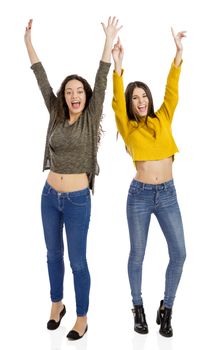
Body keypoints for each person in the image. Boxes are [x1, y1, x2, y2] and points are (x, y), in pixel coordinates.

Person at [24, 17, 122, 341]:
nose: (74, 95)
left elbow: (102, 76)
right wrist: (28, 41)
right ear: (64, 96)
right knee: (53, 255)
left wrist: (108, 40)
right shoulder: (55, 112)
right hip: (49, 196)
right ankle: (56, 304)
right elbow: (41, 78)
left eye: (79, 91)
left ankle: (81, 316)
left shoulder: (91, 118)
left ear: (85, 96)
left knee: (77, 260)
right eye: (69, 91)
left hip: (78, 199)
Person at [111, 29, 186, 337]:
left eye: (143, 96)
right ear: (130, 103)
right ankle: (137, 307)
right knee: (137, 255)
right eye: (134, 97)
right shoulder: (127, 127)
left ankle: (166, 310)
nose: (140, 101)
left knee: (179, 253)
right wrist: (118, 66)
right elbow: (116, 99)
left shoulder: (163, 117)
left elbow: (172, 89)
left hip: (167, 194)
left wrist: (178, 53)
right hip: (140, 196)